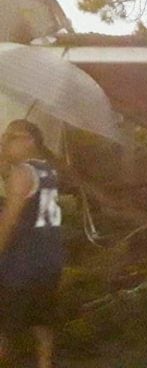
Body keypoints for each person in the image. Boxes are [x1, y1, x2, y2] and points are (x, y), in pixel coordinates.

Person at [0, 120, 64, 368]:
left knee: (6, 321)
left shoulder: (21, 173)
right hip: (49, 257)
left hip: (22, 261)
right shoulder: (48, 170)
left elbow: (10, 221)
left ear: (29, 140)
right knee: (42, 318)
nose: (5, 141)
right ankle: (44, 363)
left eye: (11, 137)